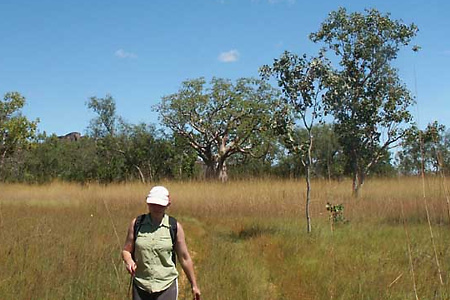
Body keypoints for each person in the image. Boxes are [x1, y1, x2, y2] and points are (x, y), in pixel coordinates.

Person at [122, 186, 201, 300]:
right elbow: (126, 250)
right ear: (148, 203)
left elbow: (184, 258)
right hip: (140, 285)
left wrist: (194, 285)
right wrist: (129, 261)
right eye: (153, 204)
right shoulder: (137, 224)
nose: (157, 208)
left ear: (167, 205)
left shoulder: (174, 227)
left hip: (166, 285)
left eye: (160, 205)